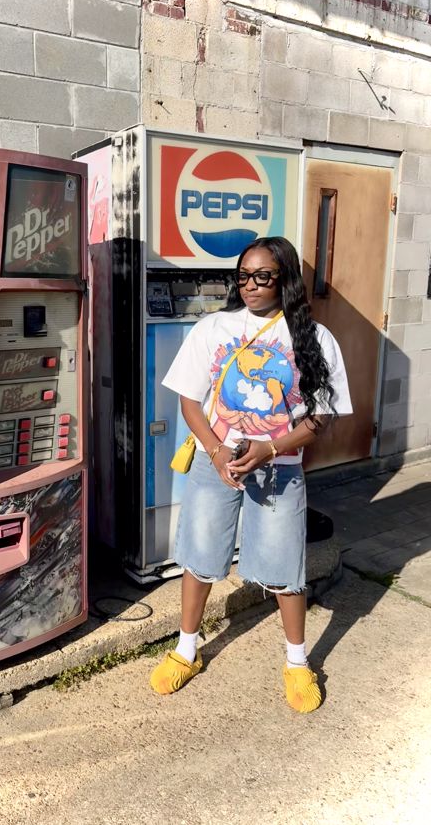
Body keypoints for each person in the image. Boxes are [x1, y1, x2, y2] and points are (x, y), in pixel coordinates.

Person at [150, 236, 352, 712]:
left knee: (285, 567)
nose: (251, 285)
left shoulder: (316, 339)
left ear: (285, 280)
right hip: (215, 462)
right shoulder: (215, 327)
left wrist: (271, 448)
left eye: (263, 276)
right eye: (243, 276)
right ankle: (186, 651)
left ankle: (297, 663)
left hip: (280, 468)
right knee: (199, 556)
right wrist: (217, 450)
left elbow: (320, 417)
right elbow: (189, 399)